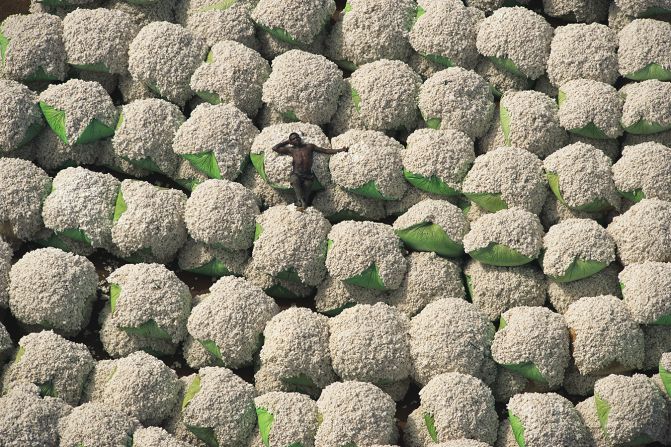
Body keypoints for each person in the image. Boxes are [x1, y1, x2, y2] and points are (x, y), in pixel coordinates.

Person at [272, 132, 348, 209]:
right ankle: (301, 201)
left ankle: (301, 202)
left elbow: (325, 151)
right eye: (293, 139)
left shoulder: (309, 147)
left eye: (297, 137)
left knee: (306, 196)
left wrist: (341, 150)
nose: (296, 139)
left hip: (308, 175)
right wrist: (287, 141)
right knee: (294, 180)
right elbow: (275, 148)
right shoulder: (291, 150)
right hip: (297, 174)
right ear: (291, 142)